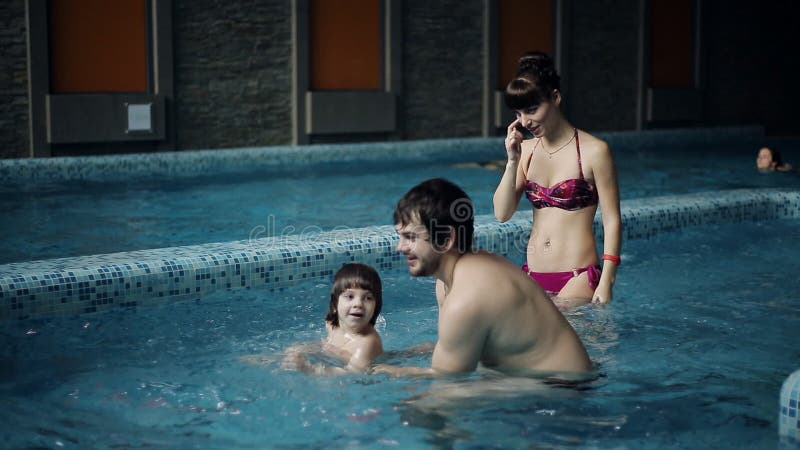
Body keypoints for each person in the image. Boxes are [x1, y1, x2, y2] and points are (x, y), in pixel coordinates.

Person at [373, 178, 592, 379]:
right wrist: (400, 356)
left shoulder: (466, 298)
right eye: (400, 236)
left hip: (563, 387)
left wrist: (398, 373)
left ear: (446, 239)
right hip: (540, 377)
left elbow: (449, 382)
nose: (400, 247)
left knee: (420, 407)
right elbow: (457, 345)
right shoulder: (448, 281)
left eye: (410, 237)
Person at [493, 51, 621, 306]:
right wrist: (511, 160)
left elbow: (612, 220)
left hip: (577, 277)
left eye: (532, 109)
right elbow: (502, 213)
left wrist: (607, 280)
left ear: (555, 97)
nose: (525, 121)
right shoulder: (526, 151)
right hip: (532, 276)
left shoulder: (594, 151)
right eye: (518, 113)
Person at [280, 263, 384, 375]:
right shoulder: (332, 325)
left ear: (376, 306)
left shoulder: (367, 343)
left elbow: (351, 374)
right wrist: (301, 348)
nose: (358, 304)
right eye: (350, 296)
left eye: (368, 298)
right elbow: (324, 345)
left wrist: (310, 368)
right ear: (335, 304)